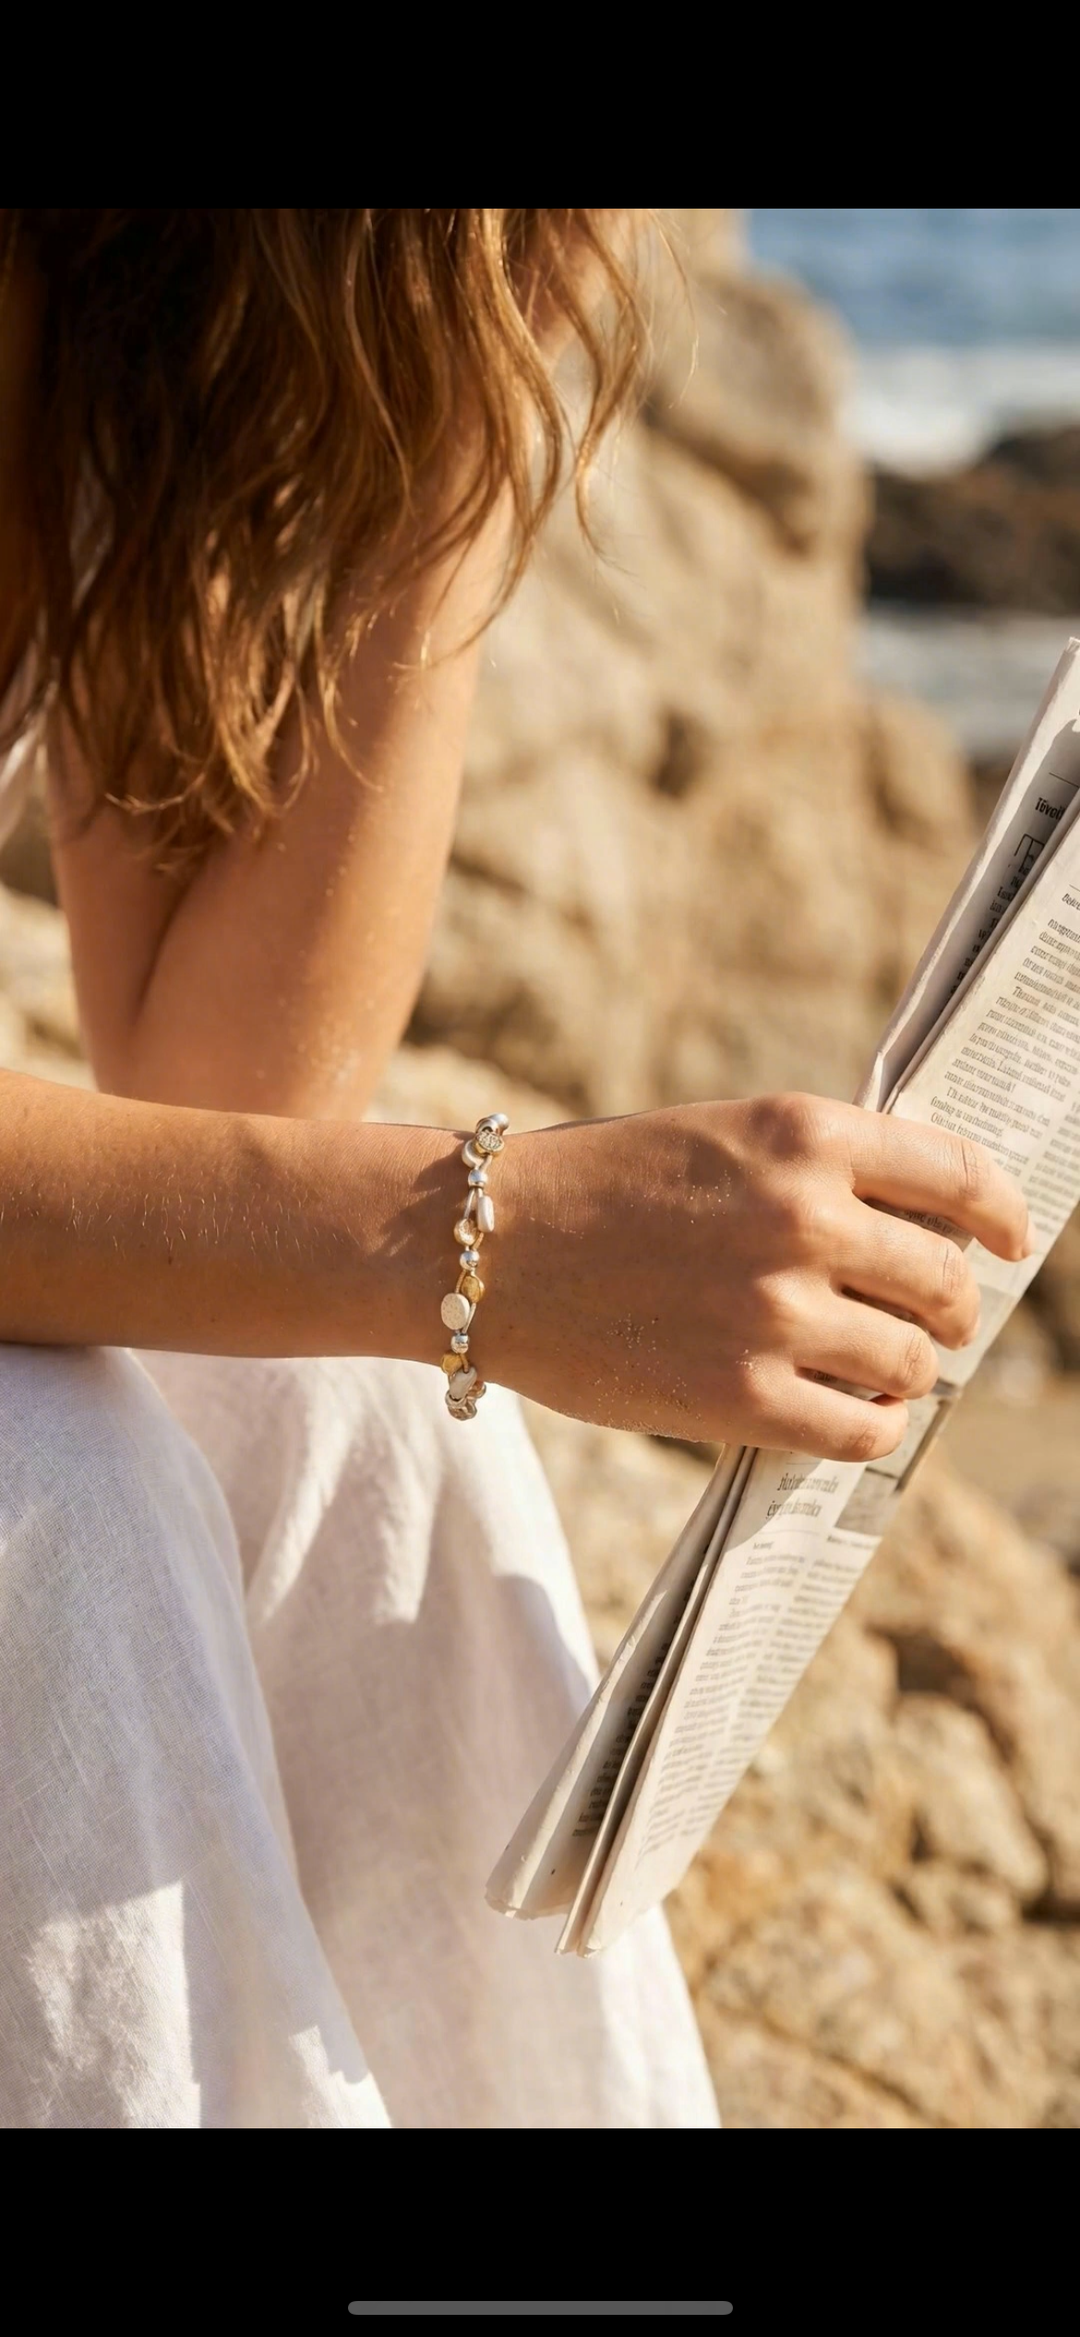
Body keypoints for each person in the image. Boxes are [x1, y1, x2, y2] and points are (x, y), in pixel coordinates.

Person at [0, 210, 1029, 2131]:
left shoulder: (133, 295)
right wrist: (480, 1232)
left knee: (351, 1415)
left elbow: (229, 1082)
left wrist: (471, 380)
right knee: (53, 1489)